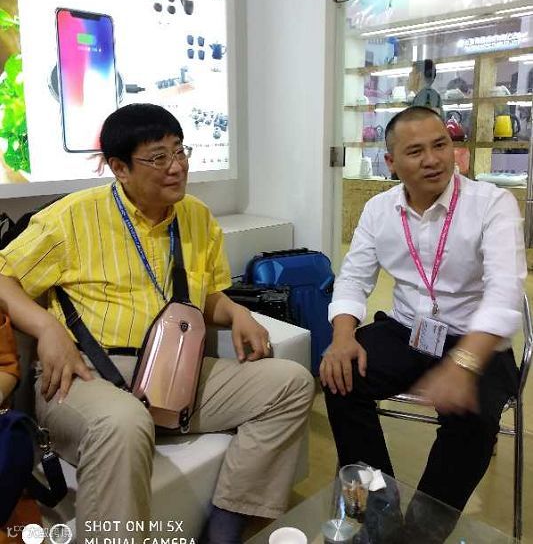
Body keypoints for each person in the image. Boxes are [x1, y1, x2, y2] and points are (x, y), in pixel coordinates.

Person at [0, 103, 314, 544]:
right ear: (119, 168)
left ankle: (227, 524)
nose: (177, 167)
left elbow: (206, 296)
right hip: (86, 375)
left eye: (180, 151)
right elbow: (4, 276)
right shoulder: (72, 217)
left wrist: (236, 313)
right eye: (158, 157)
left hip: (174, 373)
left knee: (291, 383)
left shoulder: (196, 217)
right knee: (123, 422)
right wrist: (47, 329)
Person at [321, 106, 525, 538]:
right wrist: (342, 337)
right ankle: (378, 515)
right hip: (408, 330)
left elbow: (505, 293)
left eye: (441, 145)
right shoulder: (379, 210)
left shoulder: (492, 204)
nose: (433, 160)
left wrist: (462, 365)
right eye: (415, 151)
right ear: (391, 162)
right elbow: (353, 278)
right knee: (340, 377)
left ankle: (419, 535)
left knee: (471, 417)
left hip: (477, 339)